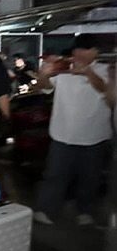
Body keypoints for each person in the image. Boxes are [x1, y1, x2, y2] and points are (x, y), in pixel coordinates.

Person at [32, 34, 113, 226]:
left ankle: (85, 211)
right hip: (62, 135)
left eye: (87, 49)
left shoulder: (105, 70)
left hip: (95, 136)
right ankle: (46, 210)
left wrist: (87, 73)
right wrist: (44, 74)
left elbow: (106, 90)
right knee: (55, 176)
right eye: (78, 49)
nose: (81, 53)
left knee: (90, 178)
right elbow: (44, 88)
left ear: (96, 52)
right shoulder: (63, 68)